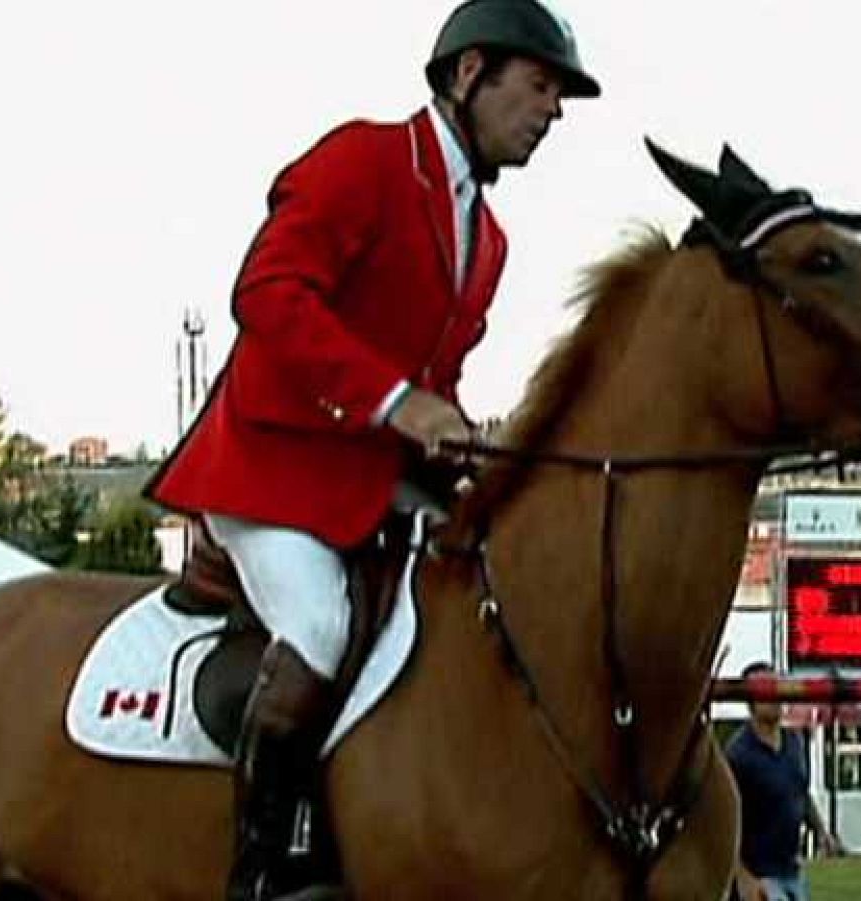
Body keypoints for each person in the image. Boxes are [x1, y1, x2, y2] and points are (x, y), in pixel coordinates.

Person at [143, 2, 600, 898]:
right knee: (318, 625)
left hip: (372, 477)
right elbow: (267, 293)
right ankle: (264, 871)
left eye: (560, 98)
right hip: (270, 466)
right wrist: (401, 403)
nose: (552, 112)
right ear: (470, 73)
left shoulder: (490, 241)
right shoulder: (364, 158)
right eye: (540, 86)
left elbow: (431, 384)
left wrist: (467, 439)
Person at [726, 662, 843, 901]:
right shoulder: (738, 754)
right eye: (768, 693)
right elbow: (726, 819)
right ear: (751, 702)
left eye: (778, 691)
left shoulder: (794, 742)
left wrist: (821, 832)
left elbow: (799, 791)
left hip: (791, 870)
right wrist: (742, 875)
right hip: (759, 874)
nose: (776, 699)